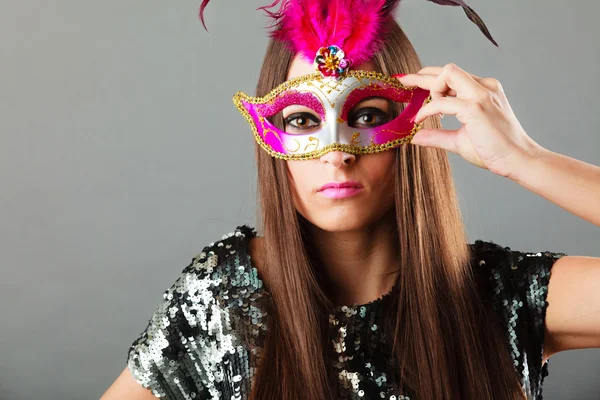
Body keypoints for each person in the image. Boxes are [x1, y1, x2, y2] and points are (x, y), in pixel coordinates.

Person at [101, 1, 600, 399]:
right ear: (268, 132)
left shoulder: (502, 297)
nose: (337, 154)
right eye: (301, 119)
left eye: (366, 116)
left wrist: (525, 159)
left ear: (416, 124)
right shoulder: (218, 302)